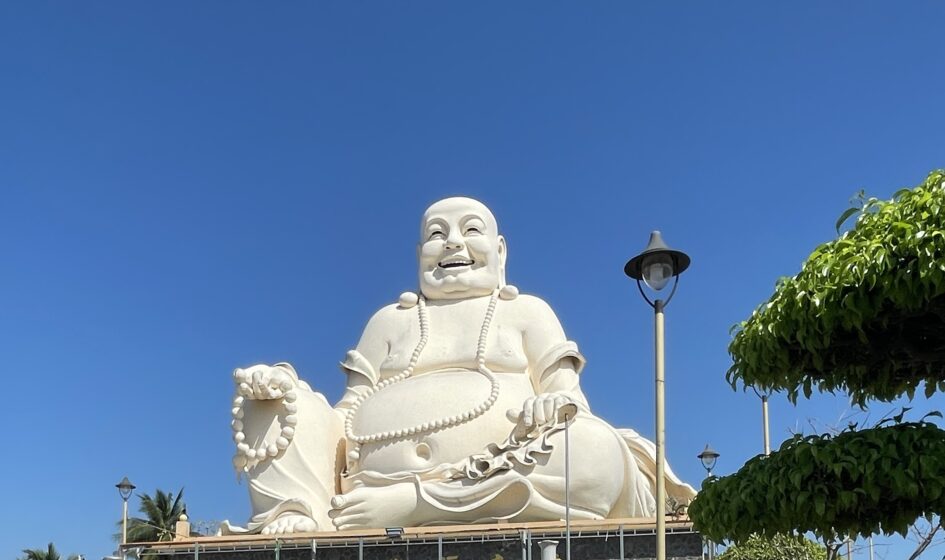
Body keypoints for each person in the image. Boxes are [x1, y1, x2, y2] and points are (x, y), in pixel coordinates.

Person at [225, 197, 693, 534]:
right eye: (435, 234)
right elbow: (347, 412)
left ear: (501, 251)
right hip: (366, 482)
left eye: (470, 230)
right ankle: (299, 507)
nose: (452, 243)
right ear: (419, 255)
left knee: (594, 450)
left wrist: (554, 402)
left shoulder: (526, 310)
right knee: (274, 401)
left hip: (502, 469)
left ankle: (413, 507)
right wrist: (286, 391)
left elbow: (568, 393)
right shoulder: (390, 320)